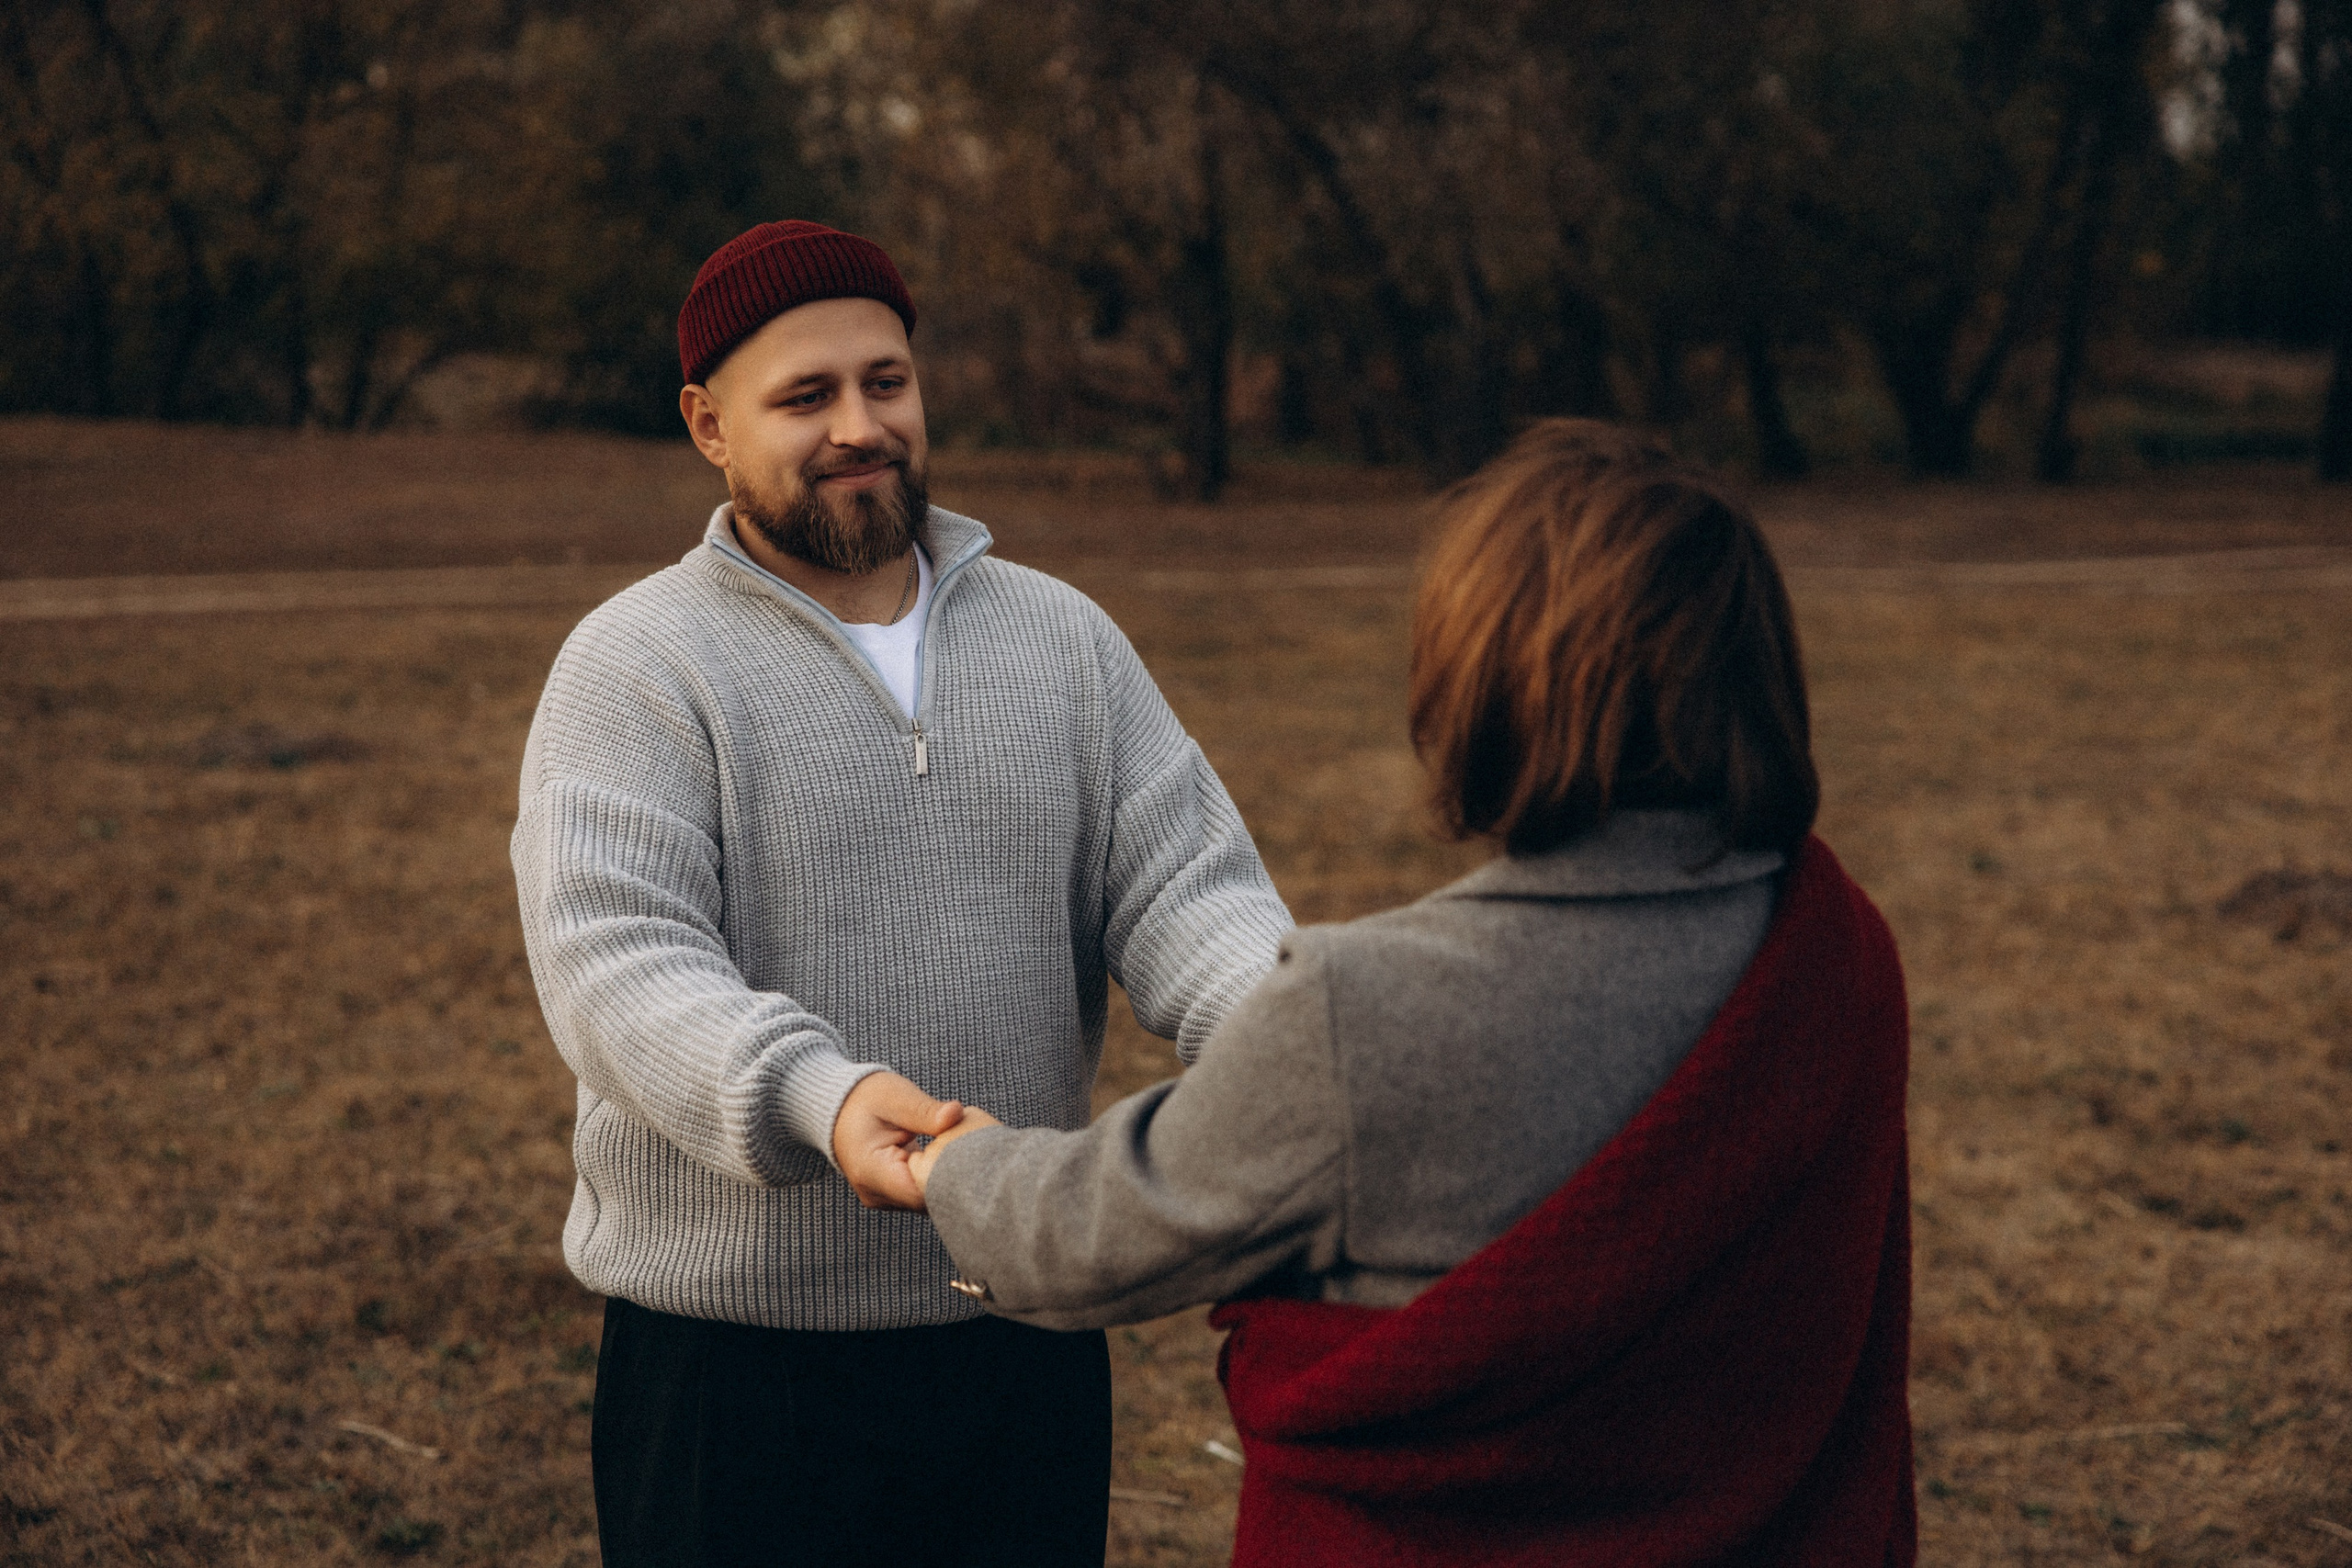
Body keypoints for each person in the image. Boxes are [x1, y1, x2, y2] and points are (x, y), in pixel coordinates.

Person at [912, 420, 1918, 1566]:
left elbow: (1094, 1231)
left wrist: (946, 1166)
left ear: (1486, 684)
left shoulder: (1365, 1010)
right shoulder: (1837, 948)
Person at [509, 220, 1292, 1567]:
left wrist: (1297, 1036)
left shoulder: (1064, 640)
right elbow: (618, 965)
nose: (858, 426)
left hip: (1022, 1335)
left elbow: (1192, 892)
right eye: (804, 396)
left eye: (886, 382)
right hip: (735, 1369)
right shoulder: (636, 661)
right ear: (707, 422)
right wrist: (821, 1093)